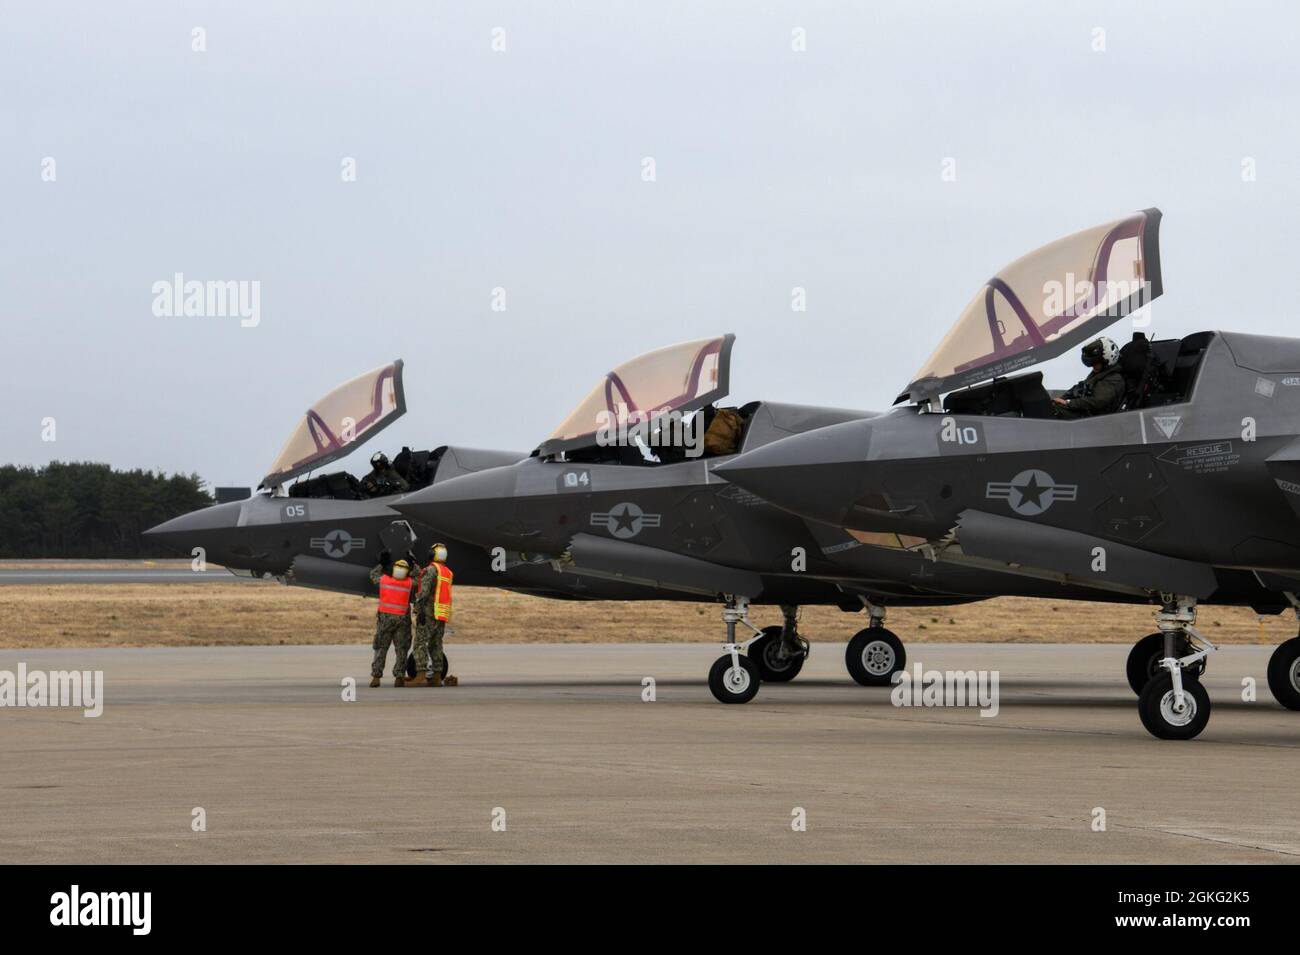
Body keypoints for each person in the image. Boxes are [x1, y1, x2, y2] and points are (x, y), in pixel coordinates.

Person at [411, 542, 458, 687]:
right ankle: (437, 676)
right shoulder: (447, 572)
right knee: (436, 644)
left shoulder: (431, 570)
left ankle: (420, 676)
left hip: (428, 613)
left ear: (433, 555)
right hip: (441, 613)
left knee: (420, 643)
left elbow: (423, 592)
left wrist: (419, 610)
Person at [368, 553, 413, 687]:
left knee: (381, 648)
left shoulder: (384, 580)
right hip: (402, 621)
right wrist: (413, 563)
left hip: (385, 621)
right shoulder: (408, 583)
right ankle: (399, 677)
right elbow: (418, 577)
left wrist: (382, 564)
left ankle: (376, 677)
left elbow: (372, 575)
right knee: (401, 649)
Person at [1052, 337, 1124, 418]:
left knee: (1054, 413)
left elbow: (1097, 401)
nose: (1093, 367)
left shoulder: (1114, 379)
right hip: (1086, 415)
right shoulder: (1099, 373)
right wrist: (1061, 399)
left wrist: (1068, 403)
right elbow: (1081, 387)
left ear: (1106, 360)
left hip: (1096, 421)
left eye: (1096, 363)